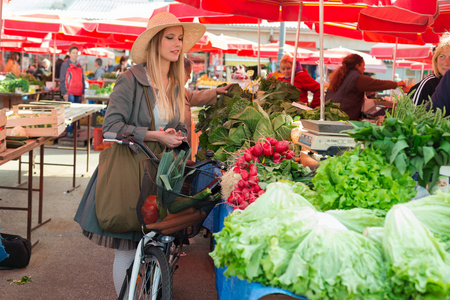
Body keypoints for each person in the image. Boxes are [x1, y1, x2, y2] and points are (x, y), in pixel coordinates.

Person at [74, 12, 206, 297]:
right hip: (129, 170)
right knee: (128, 244)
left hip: (161, 172)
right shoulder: (130, 79)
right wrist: (155, 135)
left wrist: (177, 134)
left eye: (180, 38)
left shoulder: (174, 83)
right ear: (155, 42)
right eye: (170, 37)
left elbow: (176, 124)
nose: (177, 44)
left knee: (155, 239)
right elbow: (110, 127)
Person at [325, 53, 407, 120]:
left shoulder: (342, 75)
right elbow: (377, 84)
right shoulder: (356, 77)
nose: (364, 69)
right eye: (363, 66)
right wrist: (396, 84)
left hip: (332, 114)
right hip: (343, 116)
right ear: (357, 65)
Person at [184, 58, 231, 145]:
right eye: (187, 74)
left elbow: (194, 96)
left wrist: (216, 91)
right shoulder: (167, 91)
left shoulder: (181, 90)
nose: (189, 77)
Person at [410, 33, 450, 106]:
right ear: (436, 60)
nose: (446, 63)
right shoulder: (428, 84)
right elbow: (411, 114)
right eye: (442, 56)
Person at [60, 46, 86, 138]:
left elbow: (82, 80)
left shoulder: (79, 66)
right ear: (70, 54)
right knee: (70, 112)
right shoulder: (65, 65)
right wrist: (64, 92)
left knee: (76, 113)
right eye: (73, 53)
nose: (75, 55)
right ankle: (69, 131)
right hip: (69, 92)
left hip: (78, 92)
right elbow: (62, 79)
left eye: (76, 53)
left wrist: (83, 93)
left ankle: (74, 131)